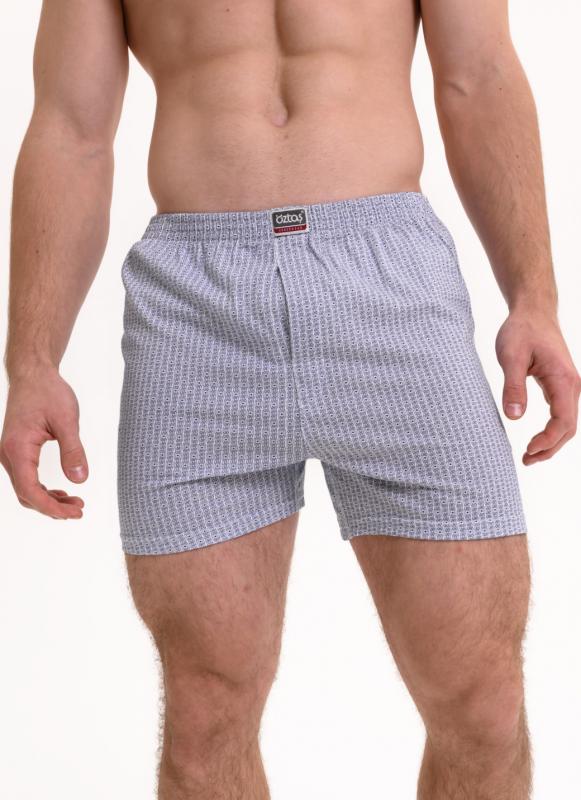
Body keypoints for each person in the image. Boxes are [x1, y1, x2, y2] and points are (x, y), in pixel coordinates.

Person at [1, 1, 579, 798]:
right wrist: (32, 360)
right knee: (205, 719)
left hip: (393, 289)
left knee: (483, 704)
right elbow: (71, 129)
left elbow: (477, 77)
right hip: (196, 312)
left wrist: (533, 296)